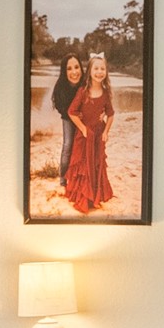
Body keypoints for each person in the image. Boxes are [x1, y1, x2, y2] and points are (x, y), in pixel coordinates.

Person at [63, 52, 116, 215]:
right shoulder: (83, 91)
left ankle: (94, 196)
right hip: (85, 136)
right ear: (90, 71)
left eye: (102, 69)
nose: (99, 72)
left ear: (106, 72)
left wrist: (106, 131)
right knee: (83, 165)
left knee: (96, 163)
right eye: (96, 69)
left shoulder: (106, 93)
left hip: (98, 135)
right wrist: (83, 128)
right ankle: (83, 197)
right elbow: (71, 111)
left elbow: (111, 114)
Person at [51, 54, 84, 178]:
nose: (74, 72)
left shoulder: (86, 83)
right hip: (68, 118)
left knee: (84, 145)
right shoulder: (60, 86)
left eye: (77, 67)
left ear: (81, 68)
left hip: (84, 117)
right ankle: (63, 178)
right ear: (64, 72)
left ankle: (81, 176)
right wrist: (73, 116)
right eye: (69, 69)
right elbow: (60, 107)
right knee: (68, 145)